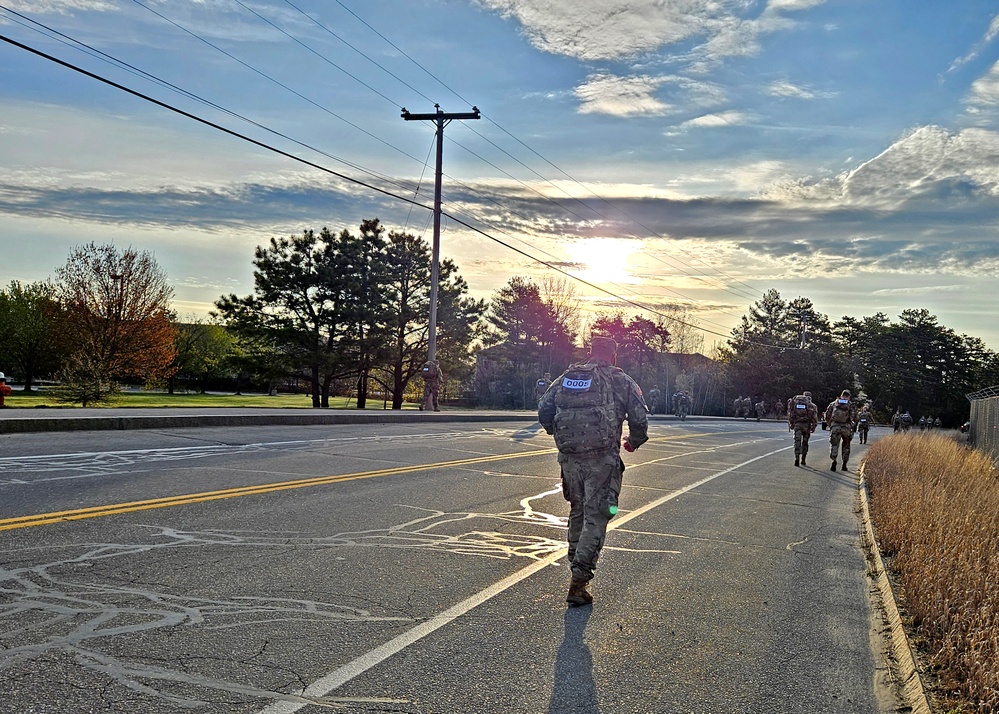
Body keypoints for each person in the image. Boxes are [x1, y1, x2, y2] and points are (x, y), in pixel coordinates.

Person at [538, 336, 649, 607]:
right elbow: (639, 419)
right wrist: (633, 442)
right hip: (602, 460)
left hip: (570, 459)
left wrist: (558, 433)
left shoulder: (566, 377)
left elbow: (544, 410)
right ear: (613, 356)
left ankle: (575, 567)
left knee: (577, 511)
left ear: (590, 353)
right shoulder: (621, 381)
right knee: (596, 516)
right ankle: (579, 581)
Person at [824, 389, 859, 471]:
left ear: (841, 395)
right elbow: (856, 418)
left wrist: (831, 425)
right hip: (846, 428)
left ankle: (834, 460)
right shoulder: (851, 405)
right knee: (846, 446)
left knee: (834, 445)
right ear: (849, 397)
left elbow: (827, 415)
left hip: (835, 427)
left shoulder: (833, 404)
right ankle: (844, 464)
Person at [788, 390, 818, 466]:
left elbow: (791, 414)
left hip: (797, 425)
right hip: (806, 426)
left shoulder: (795, 403)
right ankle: (803, 459)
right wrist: (813, 427)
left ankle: (796, 458)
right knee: (805, 442)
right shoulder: (812, 405)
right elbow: (814, 418)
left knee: (797, 441)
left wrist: (791, 423)